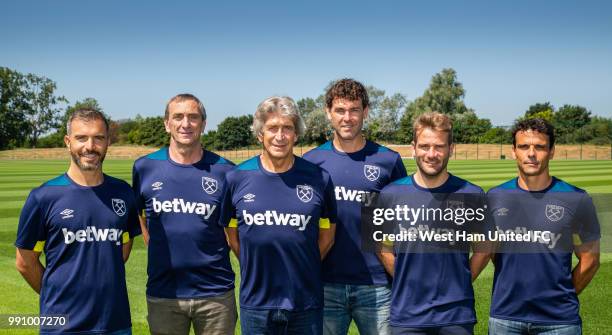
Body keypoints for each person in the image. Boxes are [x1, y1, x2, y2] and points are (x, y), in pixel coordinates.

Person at [15, 109, 141, 334]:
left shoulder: (123, 193)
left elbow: (123, 246)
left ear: (107, 142)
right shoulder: (43, 197)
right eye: (81, 138)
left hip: (115, 322)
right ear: (68, 141)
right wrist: (58, 293)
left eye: (98, 138)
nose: (90, 146)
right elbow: (25, 262)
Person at [222, 96, 336, 335]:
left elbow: (327, 237)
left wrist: (303, 263)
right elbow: (231, 234)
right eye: (272, 128)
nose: (280, 136)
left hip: (305, 301)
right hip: (256, 302)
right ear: (259, 133)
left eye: (287, 128)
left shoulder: (319, 178)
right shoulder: (236, 178)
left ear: (296, 134)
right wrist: (255, 261)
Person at [303, 78, 407, 335]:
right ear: (328, 113)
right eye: (340, 110)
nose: (347, 117)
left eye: (354, 110)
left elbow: (402, 222)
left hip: (376, 284)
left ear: (366, 112)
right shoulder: (311, 161)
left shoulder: (388, 160)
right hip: (326, 281)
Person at [132, 94, 236, 335]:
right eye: (178, 117)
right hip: (164, 292)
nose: (185, 124)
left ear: (203, 123)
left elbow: (232, 229)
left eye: (193, 117)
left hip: (216, 293)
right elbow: (141, 215)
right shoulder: (144, 167)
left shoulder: (226, 170)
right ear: (167, 123)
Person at [377, 112, 490, 335]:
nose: (431, 154)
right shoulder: (390, 194)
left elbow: (484, 249)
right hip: (407, 316)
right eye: (425, 146)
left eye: (439, 146)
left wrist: (461, 279)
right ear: (413, 148)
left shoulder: (473, 194)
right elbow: (382, 247)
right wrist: (404, 277)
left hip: (456, 315)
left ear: (451, 148)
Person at [486, 118, 600, 335]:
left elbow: (590, 260)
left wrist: (561, 296)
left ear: (552, 151)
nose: (531, 153)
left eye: (539, 147)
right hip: (505, 318)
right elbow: (492, 252)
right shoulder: (495, 197)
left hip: (559, 322)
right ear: (513, 151)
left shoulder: (577, 198)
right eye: (524, 146)